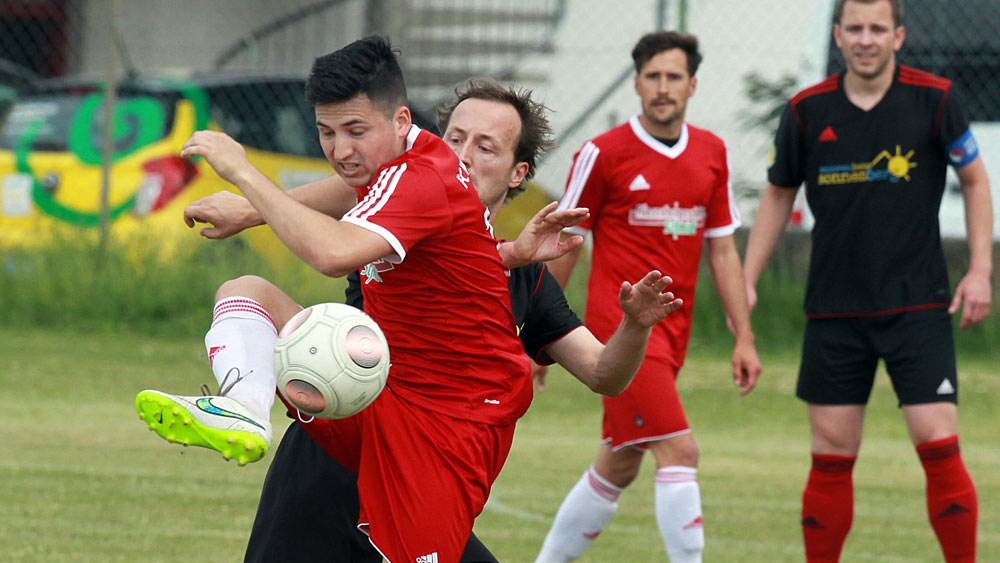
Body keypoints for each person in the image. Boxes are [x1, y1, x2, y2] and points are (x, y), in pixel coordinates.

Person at [133, 36, 579, 562]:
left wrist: (246, 176)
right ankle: (245, 408)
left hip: (450, 424)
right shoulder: (400, 156)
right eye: (327, 132)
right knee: (245, 293)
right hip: (383, 393)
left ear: (400, 120)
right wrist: (250, 212)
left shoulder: (425, 178)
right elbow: (349, 188)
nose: (340, 150)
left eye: (355, 131)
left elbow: (332, 253)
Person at [243, 80, 684, 563]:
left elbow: (603, 373)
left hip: (422, 486)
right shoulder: (394, 225)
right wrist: (247, 205)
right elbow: (354, 199)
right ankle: (240, 405)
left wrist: (635, 326)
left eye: (485, 147)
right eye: (453, 139)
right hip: (326, 472)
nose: (463, 155)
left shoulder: (527, 280)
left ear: (517, 173)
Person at [743, 1, 992, 561]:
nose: (865, 39)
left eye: (878, 28)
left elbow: (976, 181)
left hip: (918, 304)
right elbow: (778, 194)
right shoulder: (807, 110)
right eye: (854, 28)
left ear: (898, 36)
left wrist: (980, 271)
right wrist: (747, 280)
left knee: (937, 440)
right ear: (837, 35)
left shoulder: (936, 99)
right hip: (834, 308)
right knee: (831, 450)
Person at [535, 31, 762, 563]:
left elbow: (722, 251)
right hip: (619, 331)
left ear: (692, 85)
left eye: (673, 77)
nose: (663, 87)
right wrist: (539, 334)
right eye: (653, 77)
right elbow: (564, 246)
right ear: (637, 83)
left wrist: (745, 337)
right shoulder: (602, 153)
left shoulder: (712, 153)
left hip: (673, 333)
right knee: (680, 450)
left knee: (619, 462)